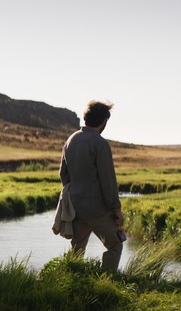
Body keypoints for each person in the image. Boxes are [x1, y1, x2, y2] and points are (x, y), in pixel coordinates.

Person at [59, 100, 124, 272]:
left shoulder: (71, 140)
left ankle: (71, 280)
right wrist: (116, 208)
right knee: (115, 245)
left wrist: (75, 194)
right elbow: (107, 180)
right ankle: (107, 282)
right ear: (104, 121)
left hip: (76, 207)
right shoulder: (100, 143)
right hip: (97, 209)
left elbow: (63, 175)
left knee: (77, 249)